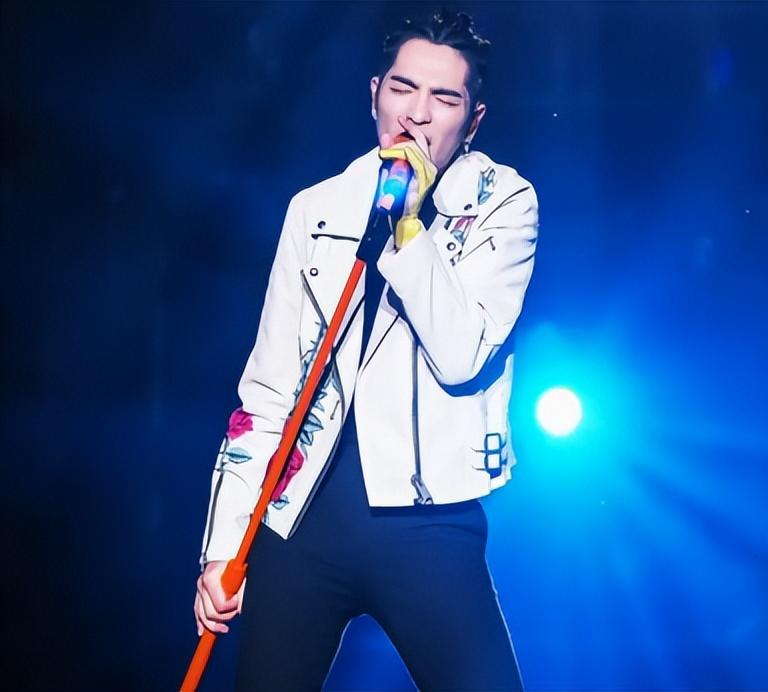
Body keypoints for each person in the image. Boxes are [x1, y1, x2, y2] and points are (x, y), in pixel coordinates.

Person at [193, 9, 538, 690]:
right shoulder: (317, 209)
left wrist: (407, 227)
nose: (417, 113)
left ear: (472, 120)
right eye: (403, 89)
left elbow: (463, 354)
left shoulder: (503, 203)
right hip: (302, 519)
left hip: (429, 523)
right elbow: (267, 390)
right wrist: (223, 544)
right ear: (375, 93)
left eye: (444, 98)